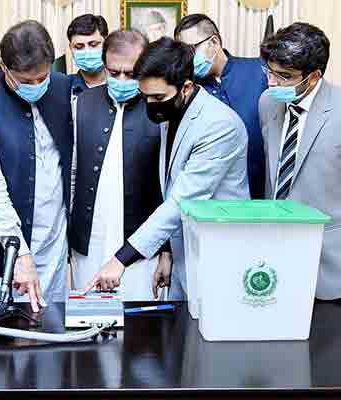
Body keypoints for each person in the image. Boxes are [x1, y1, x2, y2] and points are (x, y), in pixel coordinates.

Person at [86, 38, 249, 299]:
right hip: (184, 249)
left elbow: (181, 201)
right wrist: (168, 252)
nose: (151, 104)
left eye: (158, 97)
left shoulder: (219, 126)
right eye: (145, 96)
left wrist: (121, 259)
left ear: (185, 87)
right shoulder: (171, 112)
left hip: (216, 252)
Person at [259, 23, 341, 299]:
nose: (272, 83)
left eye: (284, 76)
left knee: (335, 341)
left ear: (313, 77)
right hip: (274, 253)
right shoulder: (268, 103)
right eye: (269, 72)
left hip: (333, 262)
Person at [0, 20, 73, 322]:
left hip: (53, 248)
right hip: (3, 258)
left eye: (42, 78)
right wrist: (18, 254)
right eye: (24, 80)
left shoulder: (63, 89)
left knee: (51, 343)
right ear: (2, 66)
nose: (36, 87)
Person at [70, 30, 169, 301]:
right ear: (105, 67)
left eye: (131, 73)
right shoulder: (82, 103)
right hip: (89, 244)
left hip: (142, 248)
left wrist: (167, 252)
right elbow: (72, 175)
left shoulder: (161, 110)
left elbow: (172, 189)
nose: (122, 80)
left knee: (140, 331)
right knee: (90, 324)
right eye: (114, 73)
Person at [175, 14, 268, 199]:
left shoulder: (259, 71)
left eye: (192, 49)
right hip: (211, 197)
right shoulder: (187, 88)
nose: (188, 59)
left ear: (214, 42)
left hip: (262, 192)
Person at [67, 14, 109, 102]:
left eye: (93, 45)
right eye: (79, 47)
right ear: (71, 48)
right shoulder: (64, 88)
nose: (87, 52)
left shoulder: (121, 86)